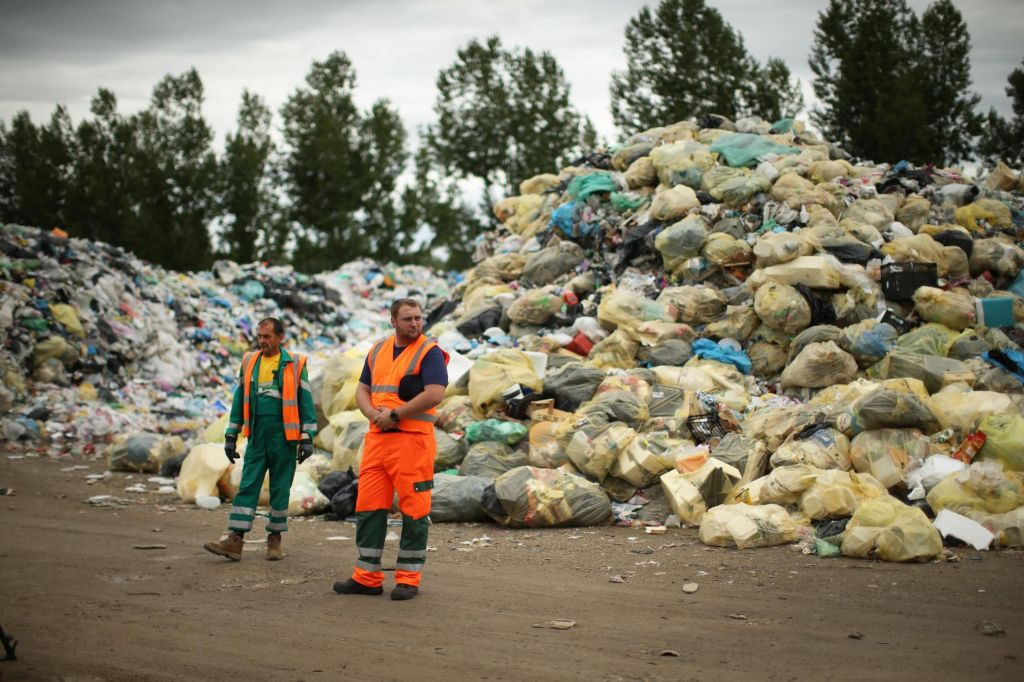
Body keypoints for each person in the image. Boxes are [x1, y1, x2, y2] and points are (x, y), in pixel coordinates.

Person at [334, 298, 449, 601]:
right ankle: (366, 577)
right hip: (377, 440)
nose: (415, 324)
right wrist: (372, 414)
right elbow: (362, 389)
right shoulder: (378, 350)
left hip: (411, 441)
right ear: (393, 322)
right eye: (408, 319)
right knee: (369, 508)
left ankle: (409, 578)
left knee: (414, 510)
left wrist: (396, 415)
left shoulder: (429, 352)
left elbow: (435, 393)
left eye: (419, 318)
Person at [204, 317, 317, 562]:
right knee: (248, 486)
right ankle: (235, 540)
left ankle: (274, 538)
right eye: (259, 336)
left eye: (267, 336)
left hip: (284, 437)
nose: (262, 341)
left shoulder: (295, 364)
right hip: (256, 435)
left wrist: (307, 437)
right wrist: (231, 435)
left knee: (279, 489)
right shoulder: (249, 361)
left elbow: (306, 402)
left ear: (280, 338)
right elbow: (239, 400)